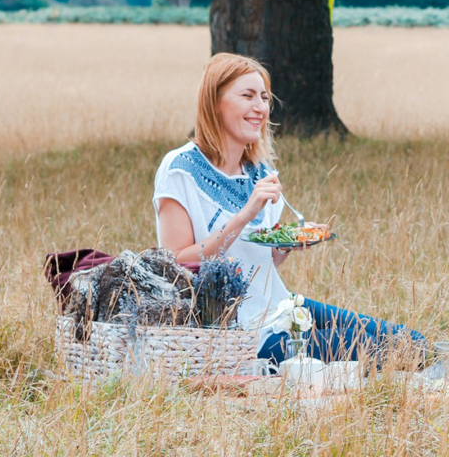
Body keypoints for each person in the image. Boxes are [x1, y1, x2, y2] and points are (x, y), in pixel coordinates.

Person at [152, 52, 424, 365]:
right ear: (214, 103)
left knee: (411, 341)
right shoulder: (179, 169)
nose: (260, 108)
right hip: (238, 332)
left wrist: (285, 246)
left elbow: (259, 265)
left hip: (280, 307)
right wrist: (244, 216)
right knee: (387, 350)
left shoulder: (259, 171)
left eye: (265, 97)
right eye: (248, 96)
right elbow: (175, 265)